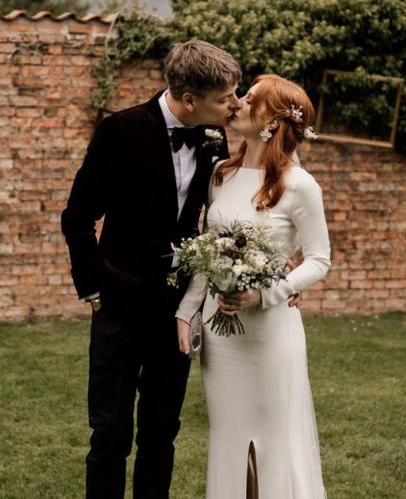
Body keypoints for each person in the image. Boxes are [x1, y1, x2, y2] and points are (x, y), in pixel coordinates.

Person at [61, 39, 242, 499]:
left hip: (175, 313)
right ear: (188, 100)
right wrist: (94, 290)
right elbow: (78, 217)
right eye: (225, 99)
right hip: (119, 307)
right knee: (110, 435)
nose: (234, 106)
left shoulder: (213, 137)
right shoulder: (120, 131)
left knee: (161, 434)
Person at [176, 73, 331, 499]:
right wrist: (186, 311)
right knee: (227, 437)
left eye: (250, 98)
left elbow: (319, 260)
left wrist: (266, 292)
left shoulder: (299, 186)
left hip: (268, 336)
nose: (238, 102)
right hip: (222, 338)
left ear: (271, 121)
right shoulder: (221, 174)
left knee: (270, 442)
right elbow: (208, 252)